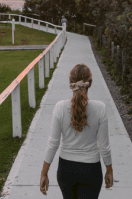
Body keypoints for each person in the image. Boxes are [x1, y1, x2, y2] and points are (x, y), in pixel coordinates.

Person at [40, 64, 114, 198]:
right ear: (89, 83)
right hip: (91, 170)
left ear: (71, 83)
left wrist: (44, 172)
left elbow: (53, 143)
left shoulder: (60, 108)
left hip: (66, 169)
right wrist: (109, 170)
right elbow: (104, 146)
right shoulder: (100, 108)